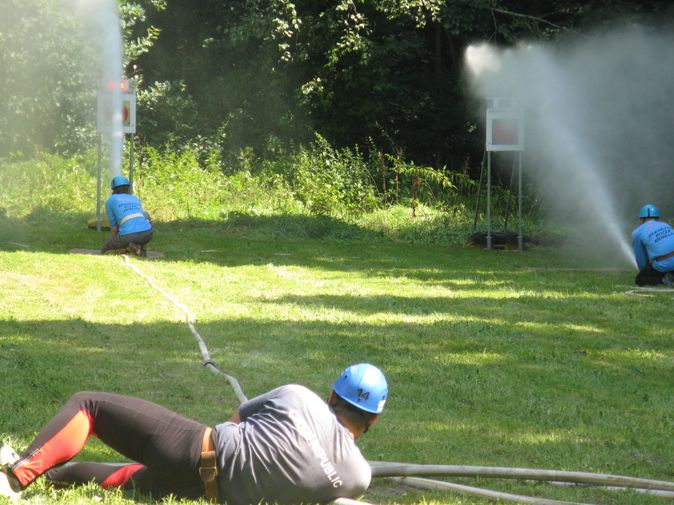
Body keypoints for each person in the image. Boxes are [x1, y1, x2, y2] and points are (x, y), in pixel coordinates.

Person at [0, 363, 388, 504]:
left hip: (193, 451)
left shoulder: (299, 396)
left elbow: (235, 420)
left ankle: (16, 477)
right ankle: (48, 477)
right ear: (372, 421)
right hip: (205, 496)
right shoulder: (359, 478)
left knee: (90, 405)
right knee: (127, 479)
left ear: (332, 395)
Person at [101, 175, 153, 257]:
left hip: (129, 236)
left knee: (105, 250)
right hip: (147, 233)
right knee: (144, 217)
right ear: (128, 188)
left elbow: (114, 228)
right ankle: (140, 249)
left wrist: (114, 240)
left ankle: (129, 248)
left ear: (113, 189)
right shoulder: (134, 198)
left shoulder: (110, 200)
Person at [631, 203, 674, 287]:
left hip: (663, 265)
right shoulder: (666, 225)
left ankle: (663, 279)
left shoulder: (637, 232)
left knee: (640, 279)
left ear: (642, 219)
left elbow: (641, 259)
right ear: (657, 217)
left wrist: (644, 271)